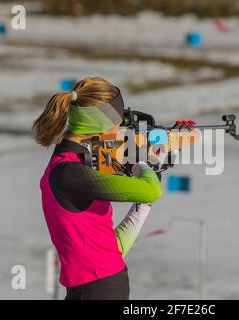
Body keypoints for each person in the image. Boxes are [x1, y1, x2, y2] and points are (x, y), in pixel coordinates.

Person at [32, 77, 162, 300]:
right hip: (102, 287)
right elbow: (152, 189)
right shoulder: (71, 174)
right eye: (117, 122)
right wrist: (140, 162)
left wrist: (139, 212)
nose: (120, 129)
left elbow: (107, 251)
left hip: (99, 283)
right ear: (100, 123)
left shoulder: (64, 165)